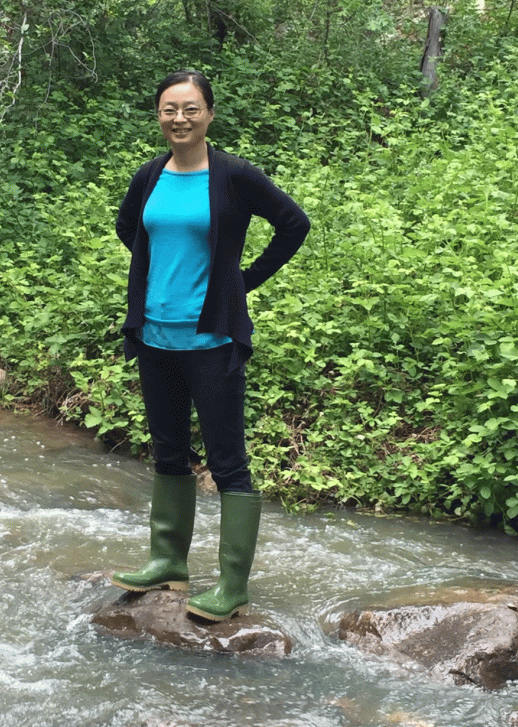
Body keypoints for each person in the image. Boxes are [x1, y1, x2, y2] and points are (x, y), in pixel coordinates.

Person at [111, 69, 310, 621]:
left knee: (228, 462)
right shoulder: (149, 175)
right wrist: (158, 274)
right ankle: (168, 562)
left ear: (209, 114)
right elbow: (130, 228)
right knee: (169, 451)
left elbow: (294, 223)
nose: (180, 118)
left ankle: (231, 586)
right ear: (159, 115)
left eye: (190, 108)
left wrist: (239, 282)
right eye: (170, 109)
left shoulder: (234, 175)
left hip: (212, 338)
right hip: (154, 334)